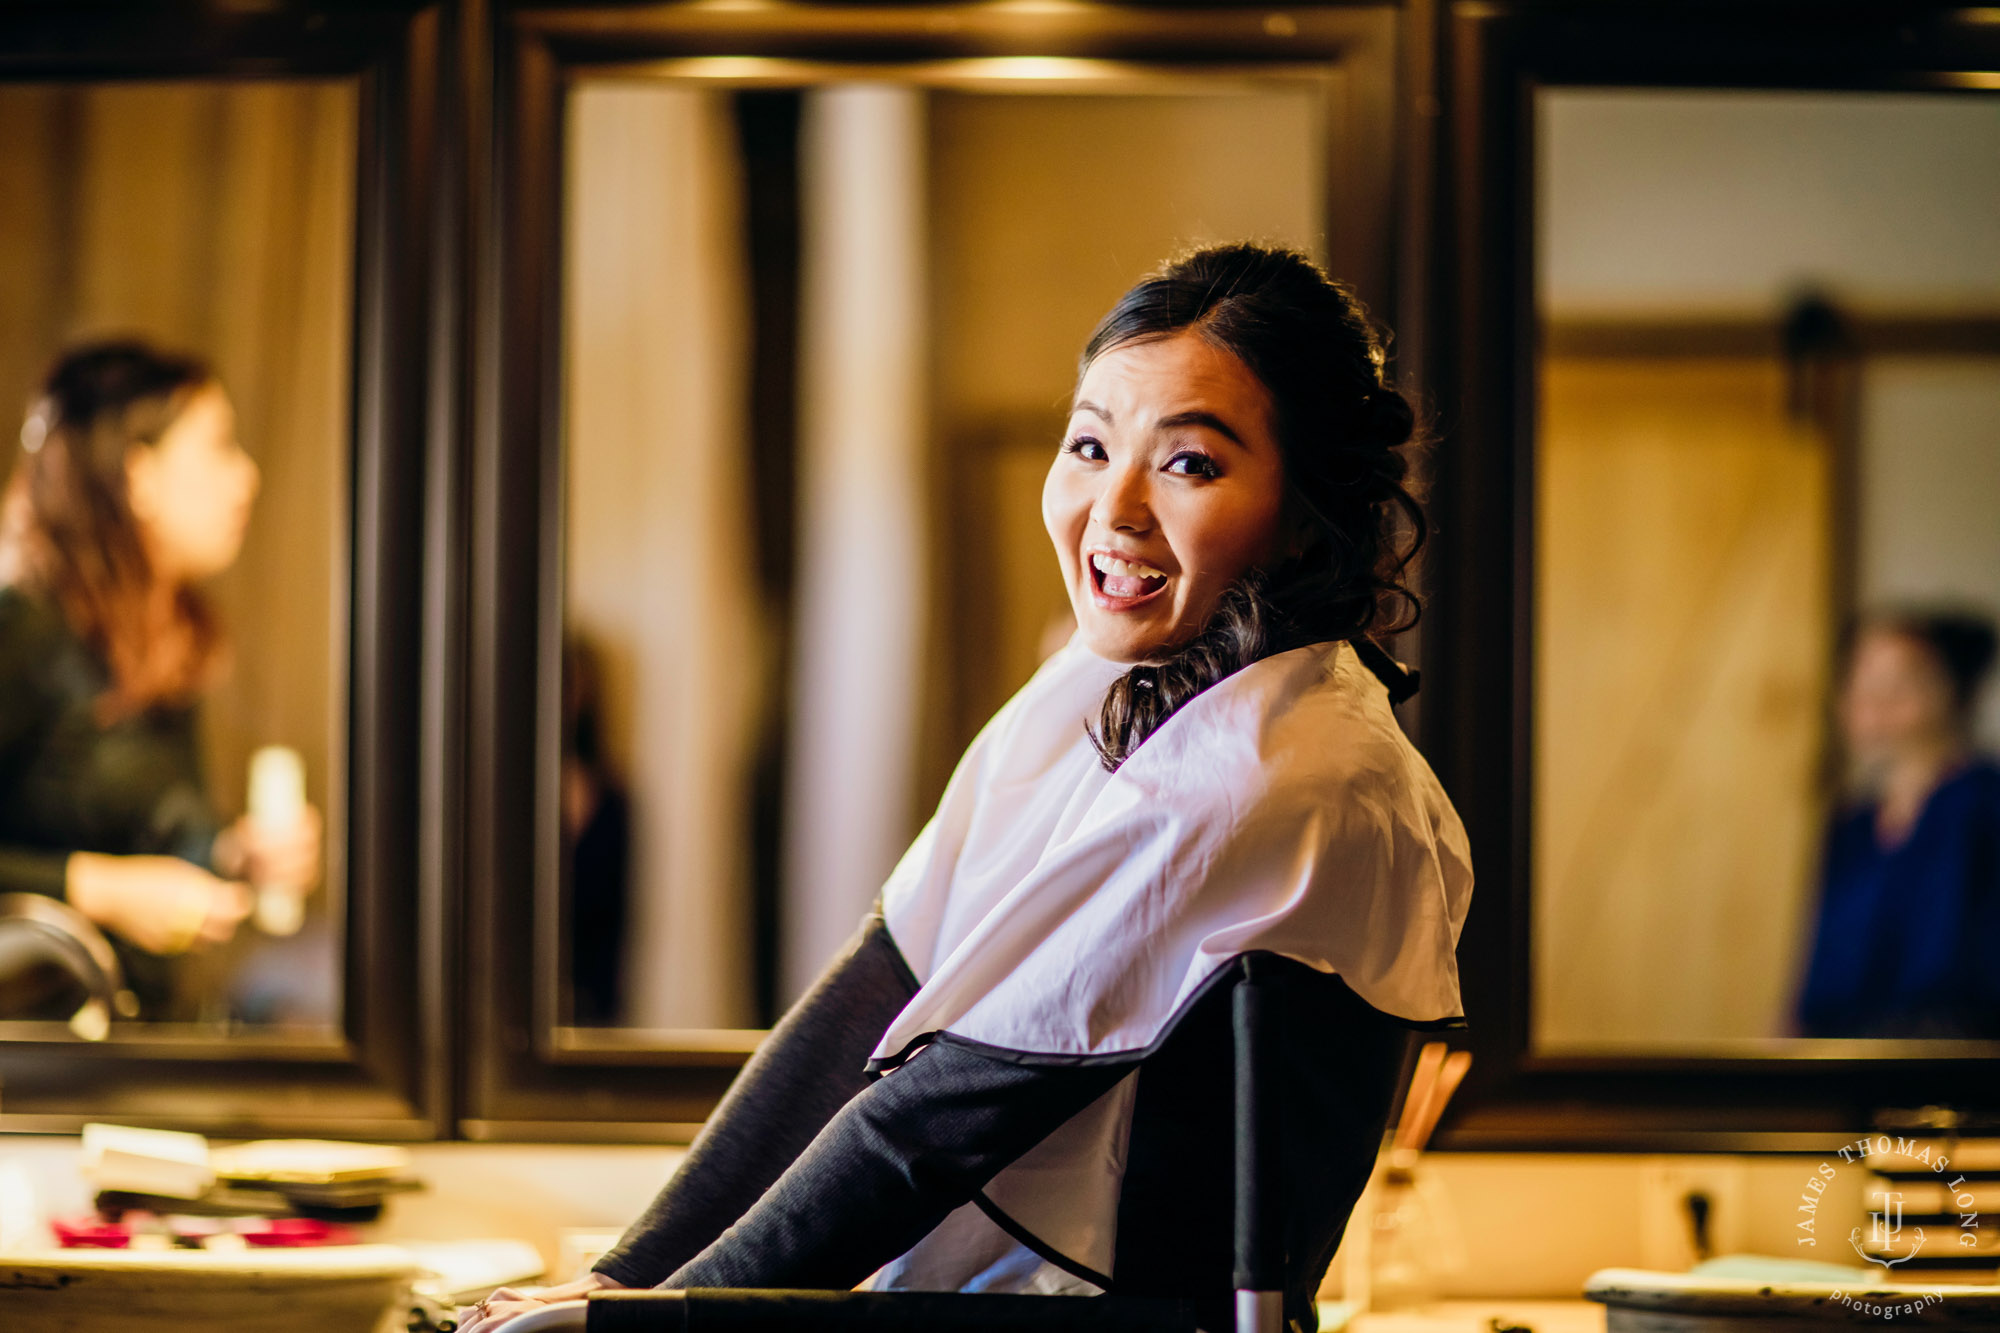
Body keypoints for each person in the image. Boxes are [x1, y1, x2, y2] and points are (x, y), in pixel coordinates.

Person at [464, 244, 1472, 1332]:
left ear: (1304, 504)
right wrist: (633, 1275)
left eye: (1187, 463)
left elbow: (944, 1115)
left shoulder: (1281, 768)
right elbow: (869, 990)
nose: (1111, 508)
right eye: (1088, 444)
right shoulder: (1089, 692)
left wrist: (657, 1316)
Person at [0, 341, 321, 1016]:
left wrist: (234, 855)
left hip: (135, 1049)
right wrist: (100, 888)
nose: (248, 477)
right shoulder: (23, 628)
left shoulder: (159, 642)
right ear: (138, 475)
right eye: (220, 447)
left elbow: (155, 836)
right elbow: (113, 869)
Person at [1795, 608, 2000, 1038]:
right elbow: (1816, 982)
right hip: (1846, 1069)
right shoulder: (1852, 828)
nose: (1875, 697)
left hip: (1957, 1066)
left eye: (1899, 680)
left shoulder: (1982, 805)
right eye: (1861, 677)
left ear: (1952, 688)